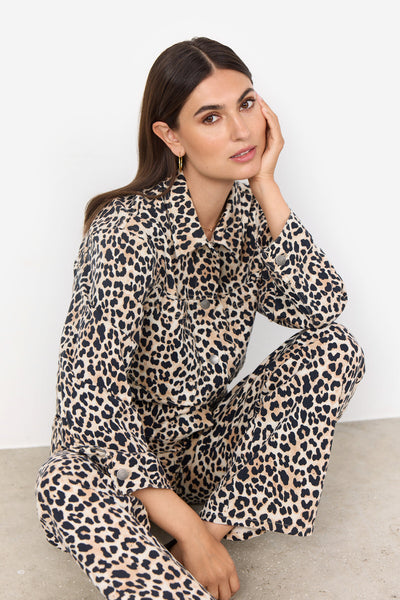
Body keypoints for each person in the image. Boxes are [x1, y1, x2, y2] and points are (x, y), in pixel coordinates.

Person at [35, 37, 365, 600]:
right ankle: (179, 553)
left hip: (202, 454)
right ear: (171, 136)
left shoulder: (246, 216)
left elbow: (320, 308)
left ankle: (209, 536)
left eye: (247, 104)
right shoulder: (127, 231)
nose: (241, 130)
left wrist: (266, 184)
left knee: (335, 349)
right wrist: (180, 524)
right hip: (118, 468)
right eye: (211, 117)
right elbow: (89, 396)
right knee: (62, 482)